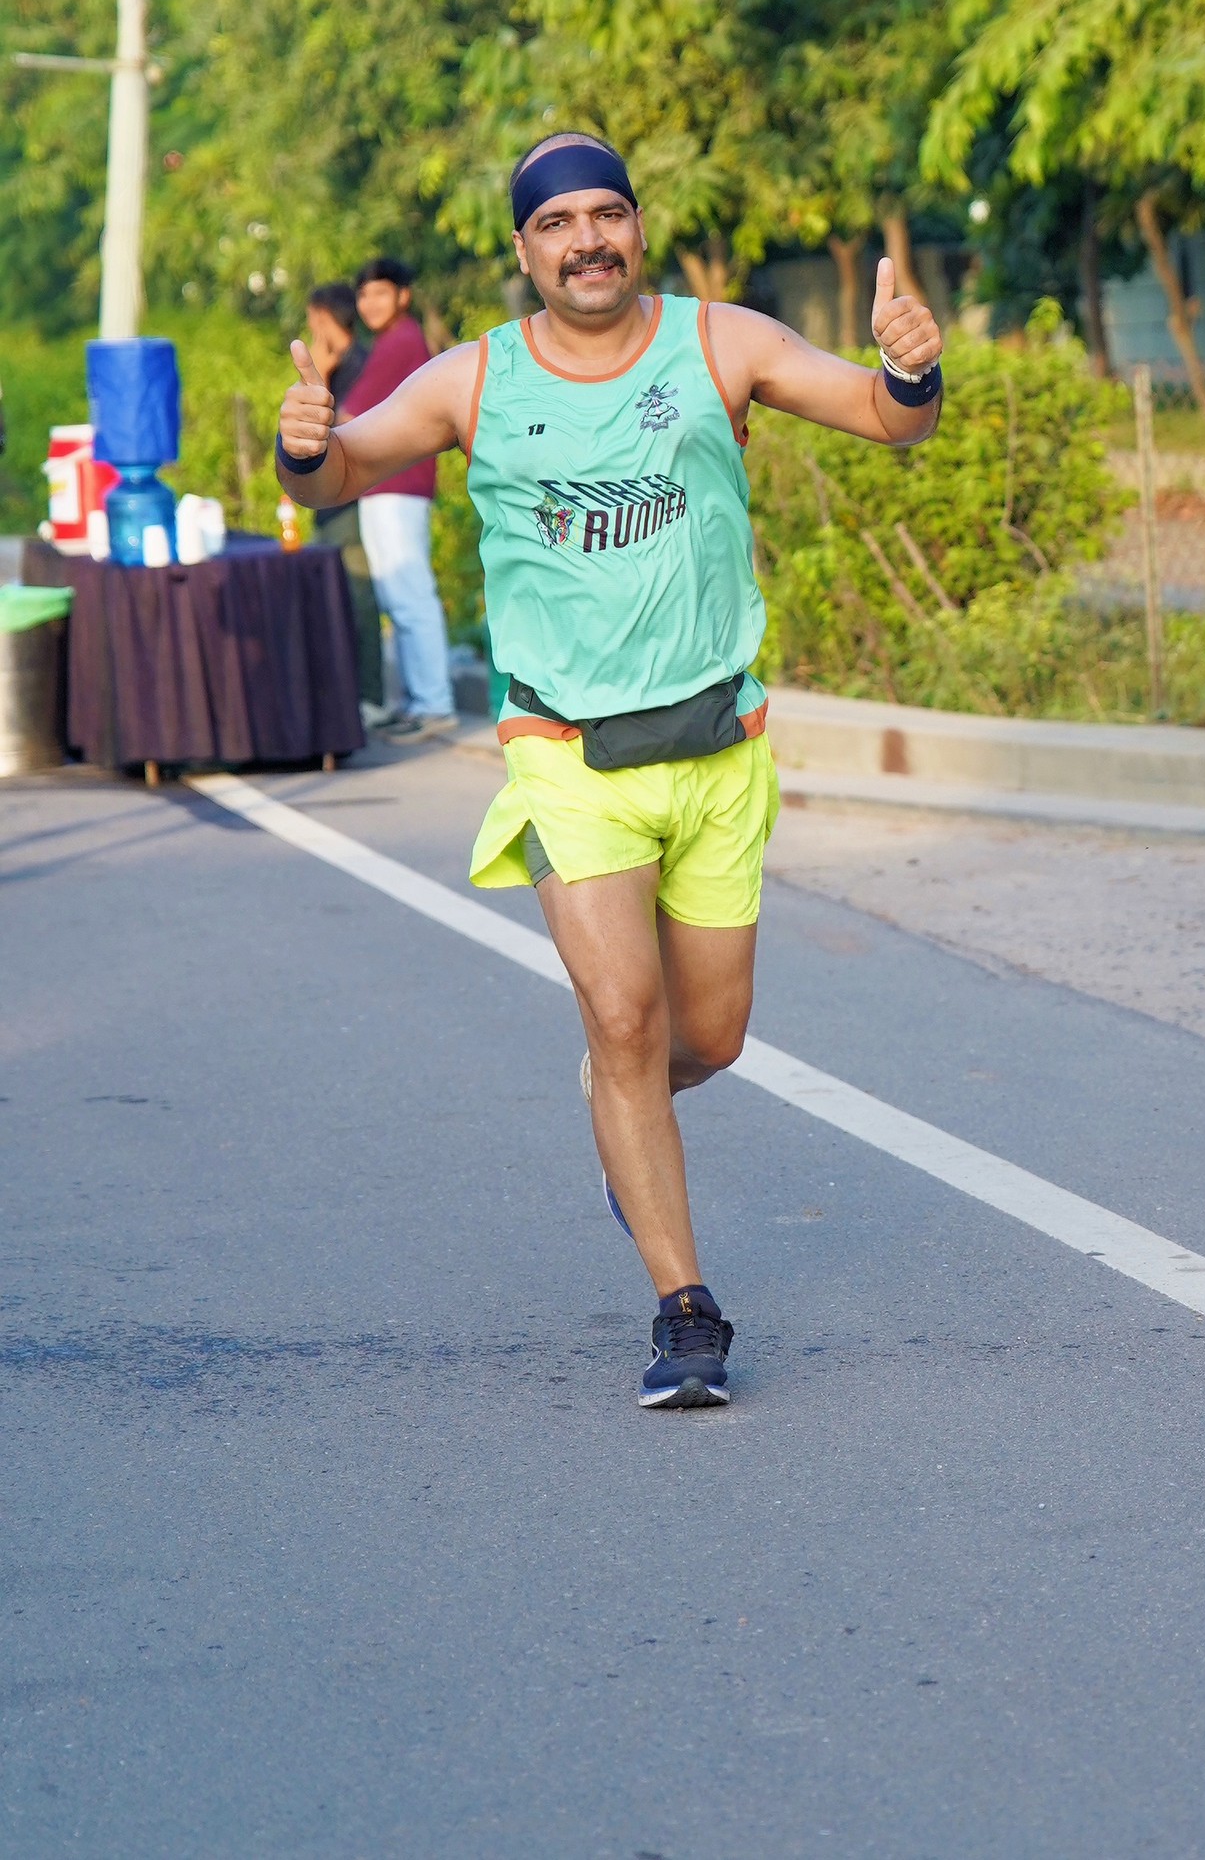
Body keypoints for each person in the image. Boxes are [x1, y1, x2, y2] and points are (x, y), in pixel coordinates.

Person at [275, 133, 943, 1409]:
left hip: (717, 748)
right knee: (626, 1019)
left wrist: (912, 370)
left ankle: (618, 1105)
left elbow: (882, 415)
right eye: (556, 223)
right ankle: (686, 1312)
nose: (586, 240)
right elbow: (338, 471)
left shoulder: (721, 343)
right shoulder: (477, 379)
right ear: (523, 249)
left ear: (636, 228)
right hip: (568, 755)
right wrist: (307, 444)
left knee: (709, 1039)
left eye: (606, 215)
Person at [343, 256, 457, 740]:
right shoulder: (394, 340)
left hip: (398, 485)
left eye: (380, 292)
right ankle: (421, 703)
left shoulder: (401, 340)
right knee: (401, 597)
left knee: (409, 595)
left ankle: (434, 705)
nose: (369, 303)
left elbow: (349, 414)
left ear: (403, 296)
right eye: (363, 294)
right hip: (389, 486)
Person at [302, 282, 385, 718]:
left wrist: (319, 373)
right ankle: (341, 696)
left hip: (354, 500)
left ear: (323, 317)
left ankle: (370, 697)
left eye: (313, 320)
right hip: (328, 503)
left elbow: (344, 431)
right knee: (329, 598)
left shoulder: (361, 364)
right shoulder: (334, 365)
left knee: (358, 595)